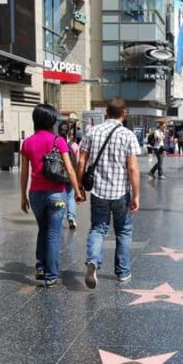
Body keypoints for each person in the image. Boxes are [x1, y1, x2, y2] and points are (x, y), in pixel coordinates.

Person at [77, 97, 141, 288]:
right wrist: (136, 195)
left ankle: (93, 262)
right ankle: (123, 272)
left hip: (98, 191)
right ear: (124, 114)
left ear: (106, 113)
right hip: (121, 192)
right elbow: (132, 168)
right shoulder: (127, 135)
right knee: (123, 231)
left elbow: (81, 162)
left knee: (98, 229)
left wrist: (79, 186)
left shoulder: (92, 132)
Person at [20, 103, 85, 288]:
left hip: (35, 194)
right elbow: (70, 169)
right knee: (54, 234)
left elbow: (24, 173)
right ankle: (51, 275)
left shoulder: (27, 143)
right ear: (52, 120)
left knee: (43, 229)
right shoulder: (59, 141)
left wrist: (23, 196)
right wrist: (78, 191)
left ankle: (41, 266)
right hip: (57, 194)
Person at [58, 121, 80, 229]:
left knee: (61, 198)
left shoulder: (56, 143)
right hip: (70, 176)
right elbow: (78, 161)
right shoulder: (74, 145)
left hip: (58, 175)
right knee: (71, 197)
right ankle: (71, 217)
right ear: (69, 133)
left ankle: (61, 219)